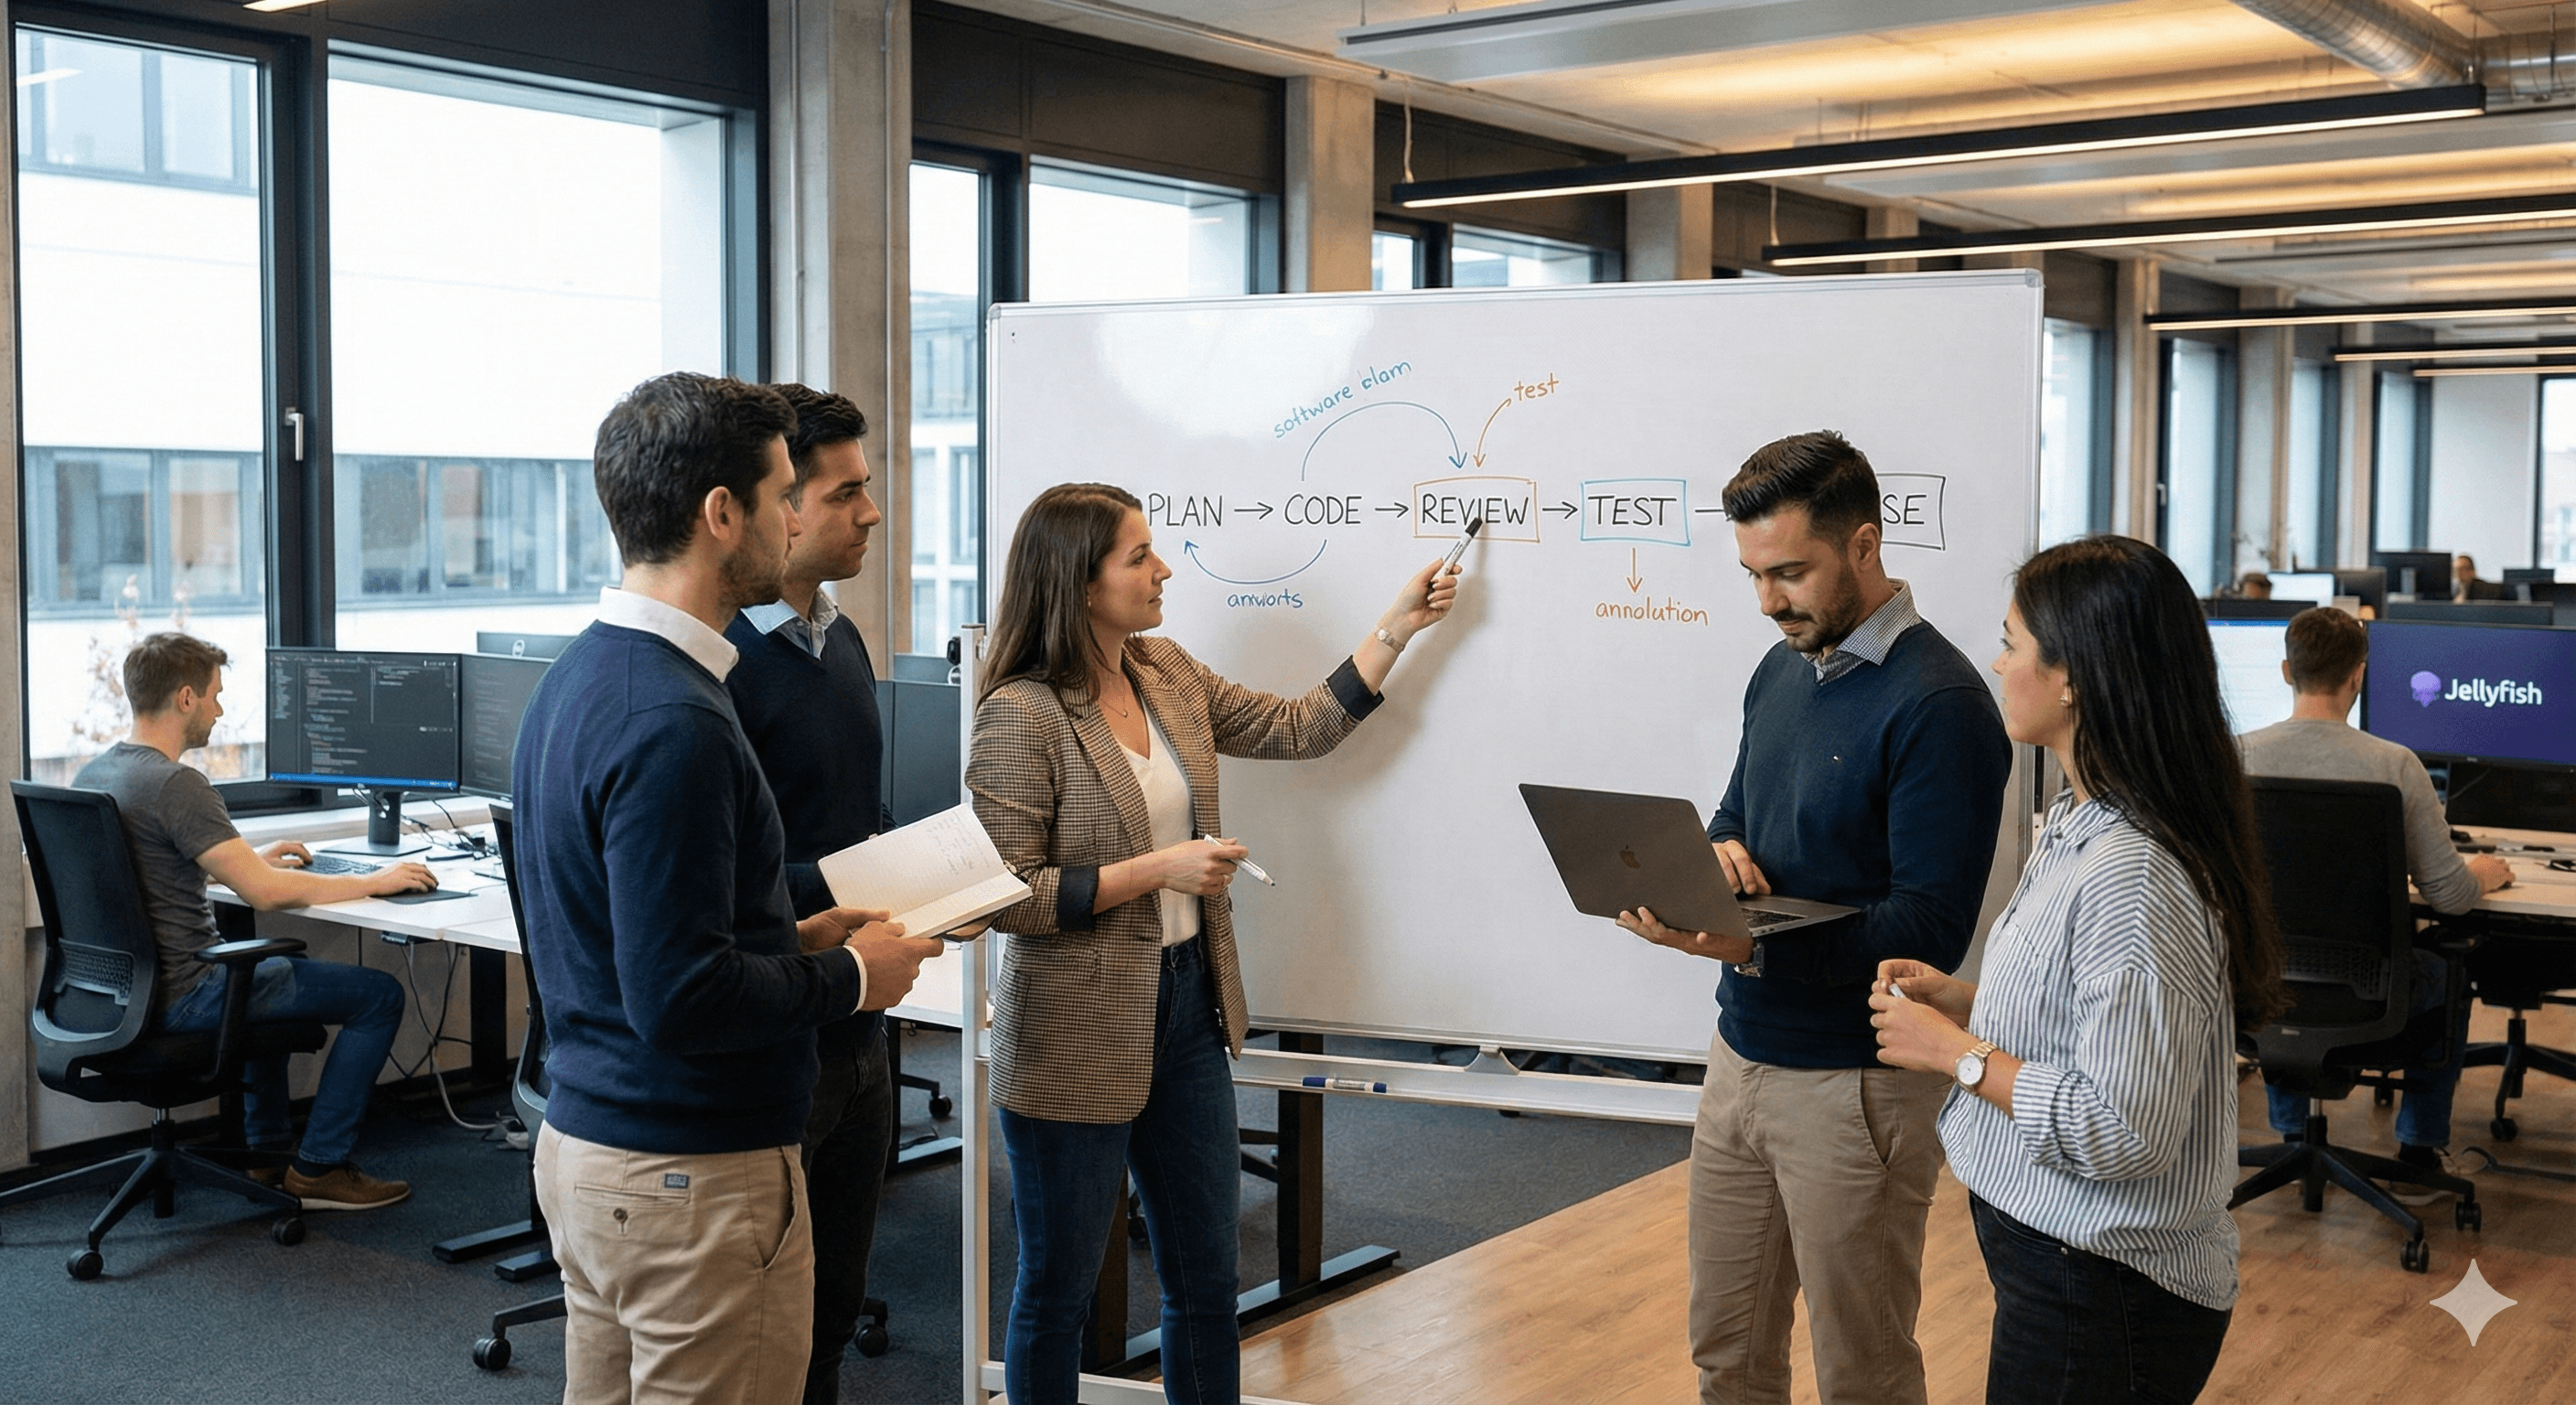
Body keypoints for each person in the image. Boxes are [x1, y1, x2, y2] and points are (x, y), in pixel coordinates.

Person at [966, 483, 1460, 1405]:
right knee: (1057, 1291)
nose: (1162, 571)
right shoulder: (1022, 712)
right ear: (1078, 584)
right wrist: (1157, 870)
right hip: (1071, 1028)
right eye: (1137, 556)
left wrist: (1396, 627)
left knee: (1205, 1279)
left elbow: (1295, 726)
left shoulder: (1164, 671)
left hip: (1187, 1004)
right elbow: (1008, 896)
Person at [513, 371, 944, 1405]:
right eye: (785, 493)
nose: (797, 517)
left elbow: (655, 932)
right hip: (688, 1174)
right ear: (723, 515)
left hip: (599, 1149)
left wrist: (792, 932)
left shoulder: (584, 677)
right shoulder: (675, 721)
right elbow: (680, 997)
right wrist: (847, 977)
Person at [1613, 430, 2012, 1405]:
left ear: (1864, 547)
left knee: (1860, 1371)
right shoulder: (1780, 669)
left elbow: (1925, 930)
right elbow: (1733, 818)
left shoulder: (1941, 702)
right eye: (1752, 574)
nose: (1767, 601)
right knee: (1726, 1352)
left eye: (1789, 572)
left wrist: (1742, 940)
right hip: (1740, 1055)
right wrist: (1708, 862)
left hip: (1856, 1086)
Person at [1867, 533, 2292, 1405]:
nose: (1995, 661)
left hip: (2103, 1282)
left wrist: (1956, 1053)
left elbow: (2123, 1127)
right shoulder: (2080, 819)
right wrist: (1970, 1002)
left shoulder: (2133, 873)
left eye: (2013, 643)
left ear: (2076, 677)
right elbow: (2099, 1022)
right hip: (2064, 1262)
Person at [72, 632, 436, 1209]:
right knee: (379, 996)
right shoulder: (177, 784)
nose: (220, 711)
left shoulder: (96, 774)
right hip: (188, 994)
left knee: (266, 971)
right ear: (186, 698)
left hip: (116, 996)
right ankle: (319, 1168)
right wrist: (374, 881)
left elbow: (145, 875)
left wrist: (240, 864)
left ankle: (268, 1155)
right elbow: (266, 895)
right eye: (216, 696)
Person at [722, 383, 906, 1405]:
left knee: (833, 1311)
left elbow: (847, 822)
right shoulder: (719, 669)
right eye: (844, 494)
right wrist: (857, 885)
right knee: (766, 1331)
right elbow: (733, 882)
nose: (869, 514)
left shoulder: (837, 638)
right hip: (777, 1023)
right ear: (781, 501)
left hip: (858, 1023)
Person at [2238, 606, 2510, 1194]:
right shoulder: (2395, 766)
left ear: (2287, 671)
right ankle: (2417, 1147)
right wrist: (2487, 872)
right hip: (2370, 991)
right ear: (2358, 677)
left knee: (2283, 958)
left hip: (2255, 982)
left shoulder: (2232, 759)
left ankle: (2290, 1135)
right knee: (2446, 970)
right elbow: (2452, 897)